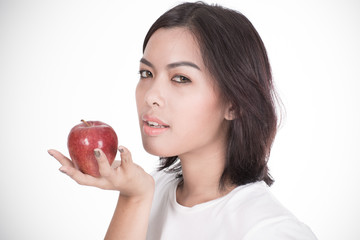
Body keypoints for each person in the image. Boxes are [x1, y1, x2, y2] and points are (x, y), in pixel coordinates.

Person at [48, 2, 317, 239]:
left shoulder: (270, 232)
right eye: (146, 73)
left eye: (181, 78)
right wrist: (134, 197)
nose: (151, 95)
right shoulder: (154, 188)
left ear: (234, 103)